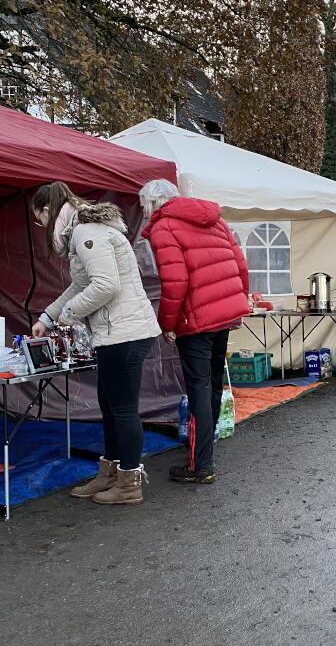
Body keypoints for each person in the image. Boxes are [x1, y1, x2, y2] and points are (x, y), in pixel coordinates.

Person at [31, 182, 160, 504]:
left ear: (48, 211)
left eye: (40, 220)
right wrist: (48, 317)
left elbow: (106, 285)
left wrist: (68, 315)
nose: (42, 227)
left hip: (124, 333)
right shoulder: (87, 230)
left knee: (123, 409)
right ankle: (111, 472)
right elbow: (80, 285)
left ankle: (129, 483)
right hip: (118, 332)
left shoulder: (86, 232)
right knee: (110, 405)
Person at [140, 180, 249, 484]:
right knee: (212, 383)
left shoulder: (164, 228)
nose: (143, 211)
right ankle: (204, 448)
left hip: (196, 320)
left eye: (143, 204)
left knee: (198, 387)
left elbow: (175, 282)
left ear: (154, 202)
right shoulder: (216, 221)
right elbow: (240, 265)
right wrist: (239, 304)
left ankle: (201, 464)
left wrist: (168, 325)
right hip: (223, 315)